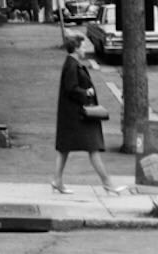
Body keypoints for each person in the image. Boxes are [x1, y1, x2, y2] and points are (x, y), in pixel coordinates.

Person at [52, 34, 125, 195]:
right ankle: (108, 183)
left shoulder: (72, 63)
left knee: (65, 148)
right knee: (93, 148)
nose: (85, 49)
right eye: (83, 46)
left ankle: (57, 180)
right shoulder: (72, 65)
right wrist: (87, 92)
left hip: (72, 115)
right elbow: (71, 88)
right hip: (78, 116)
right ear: (76, 48)